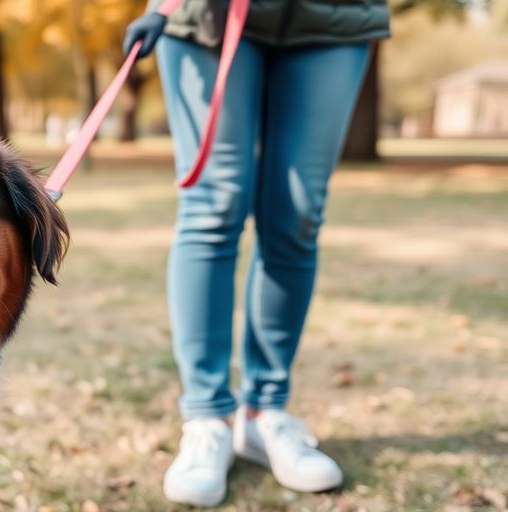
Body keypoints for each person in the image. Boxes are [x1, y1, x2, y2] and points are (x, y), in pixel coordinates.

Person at [123, 0, 389, 506]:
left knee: (298, 211)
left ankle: (265, 412)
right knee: (212, 204)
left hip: (331, 18)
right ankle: (207, 416)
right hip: (209, 16)